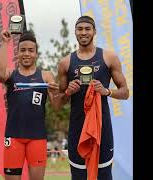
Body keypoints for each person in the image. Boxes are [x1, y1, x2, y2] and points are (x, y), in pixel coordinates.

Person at [57, 15, 129, 180]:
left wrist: (107, 91)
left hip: (102, 129)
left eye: (87, 29)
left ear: (94, 31)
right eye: (80, 29)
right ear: (75, 32)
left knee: (104, 176)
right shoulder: (65, 63)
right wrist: (68, 92)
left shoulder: (109, 58)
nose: (83, 32)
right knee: (79, 177)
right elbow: (57, 103)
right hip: (77, 129)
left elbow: (125, 92)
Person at [0, 30, 61, 180]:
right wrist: (5, 43)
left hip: (37, 138)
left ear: (36, 54)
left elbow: (56, 106)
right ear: (17, 53)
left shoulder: (46, 75)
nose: (26, 54)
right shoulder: (11, 75)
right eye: (22, 50)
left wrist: (58, 93)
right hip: (13, 137)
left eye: (31, 50)